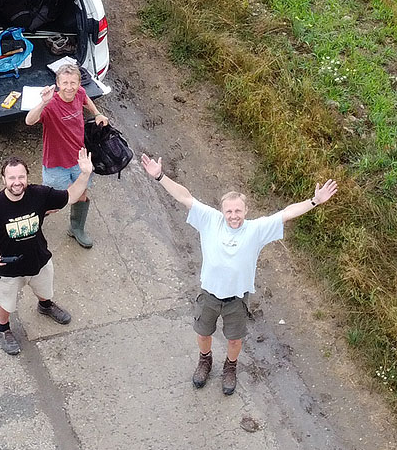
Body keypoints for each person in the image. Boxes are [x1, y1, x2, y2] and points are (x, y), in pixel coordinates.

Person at [140, 152, 338, 395]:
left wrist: (314, 201)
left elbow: (286, 213)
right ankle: (205, 360)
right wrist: (160, 176)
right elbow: (185, 197)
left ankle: (230, 367)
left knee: (235, 341)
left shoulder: (256, 230)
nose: (233, 216)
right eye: (229, 211)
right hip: (209, 296)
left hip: (236, 300)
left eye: (238, 211)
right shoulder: (210, 220)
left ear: (246, 211)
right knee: (203, 334)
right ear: (222, 211)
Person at [0, 148, 95, 355]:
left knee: (45, 290)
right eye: (12, 177)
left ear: (27, 177)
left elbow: (71, 196)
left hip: (39, 259)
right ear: (4, 179)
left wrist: (85, 174)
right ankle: (3, 329)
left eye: (21, 176)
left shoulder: (39, 194)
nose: (17, 182)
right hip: (9, 268)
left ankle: (45, 306)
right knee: (6, 303)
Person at [24, 62, 108, 248]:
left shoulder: (79, 93)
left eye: (73, 82)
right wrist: (43, 102)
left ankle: (76, 229)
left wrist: (97, 113)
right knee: (53, 204)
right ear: (58, 84)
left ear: (79, 83)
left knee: (81, 195)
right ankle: (29, 228)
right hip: (55, 164)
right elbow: (29, 121)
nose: (69, 87)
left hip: (79, 160)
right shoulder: (51, 104)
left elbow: (86, 99)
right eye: (65, 83)